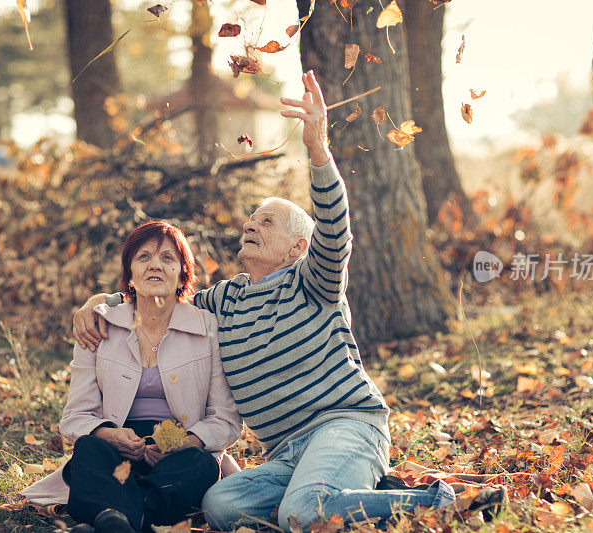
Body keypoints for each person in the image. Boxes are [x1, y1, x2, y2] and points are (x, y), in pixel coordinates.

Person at [73, 71, 504, 530]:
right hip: (284, 452)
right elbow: (159, 297)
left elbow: (335, 231)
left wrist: (318, 150)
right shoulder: (223, 300)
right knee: (221, 507)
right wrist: (99, 301)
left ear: (298, 247)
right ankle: (362, 496)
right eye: (252, 220)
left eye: (268, 222)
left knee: (305, 511)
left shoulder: (313, 281)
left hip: (345, 425)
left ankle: (442, 501)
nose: (251, 226)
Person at [22, 221, 242, 533]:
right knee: (89, 448)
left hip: (175, 458)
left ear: (183, 275)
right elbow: (75, 417)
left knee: (203, 464)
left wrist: (187, 443)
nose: (155, 264)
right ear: (130, 276)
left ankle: (114, 518)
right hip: (115, 451)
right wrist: (109, 435)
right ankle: (138, 519)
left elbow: (226, 419)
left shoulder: (207, 327)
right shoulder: (99, 326)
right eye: (143, 257)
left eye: (167, 258)